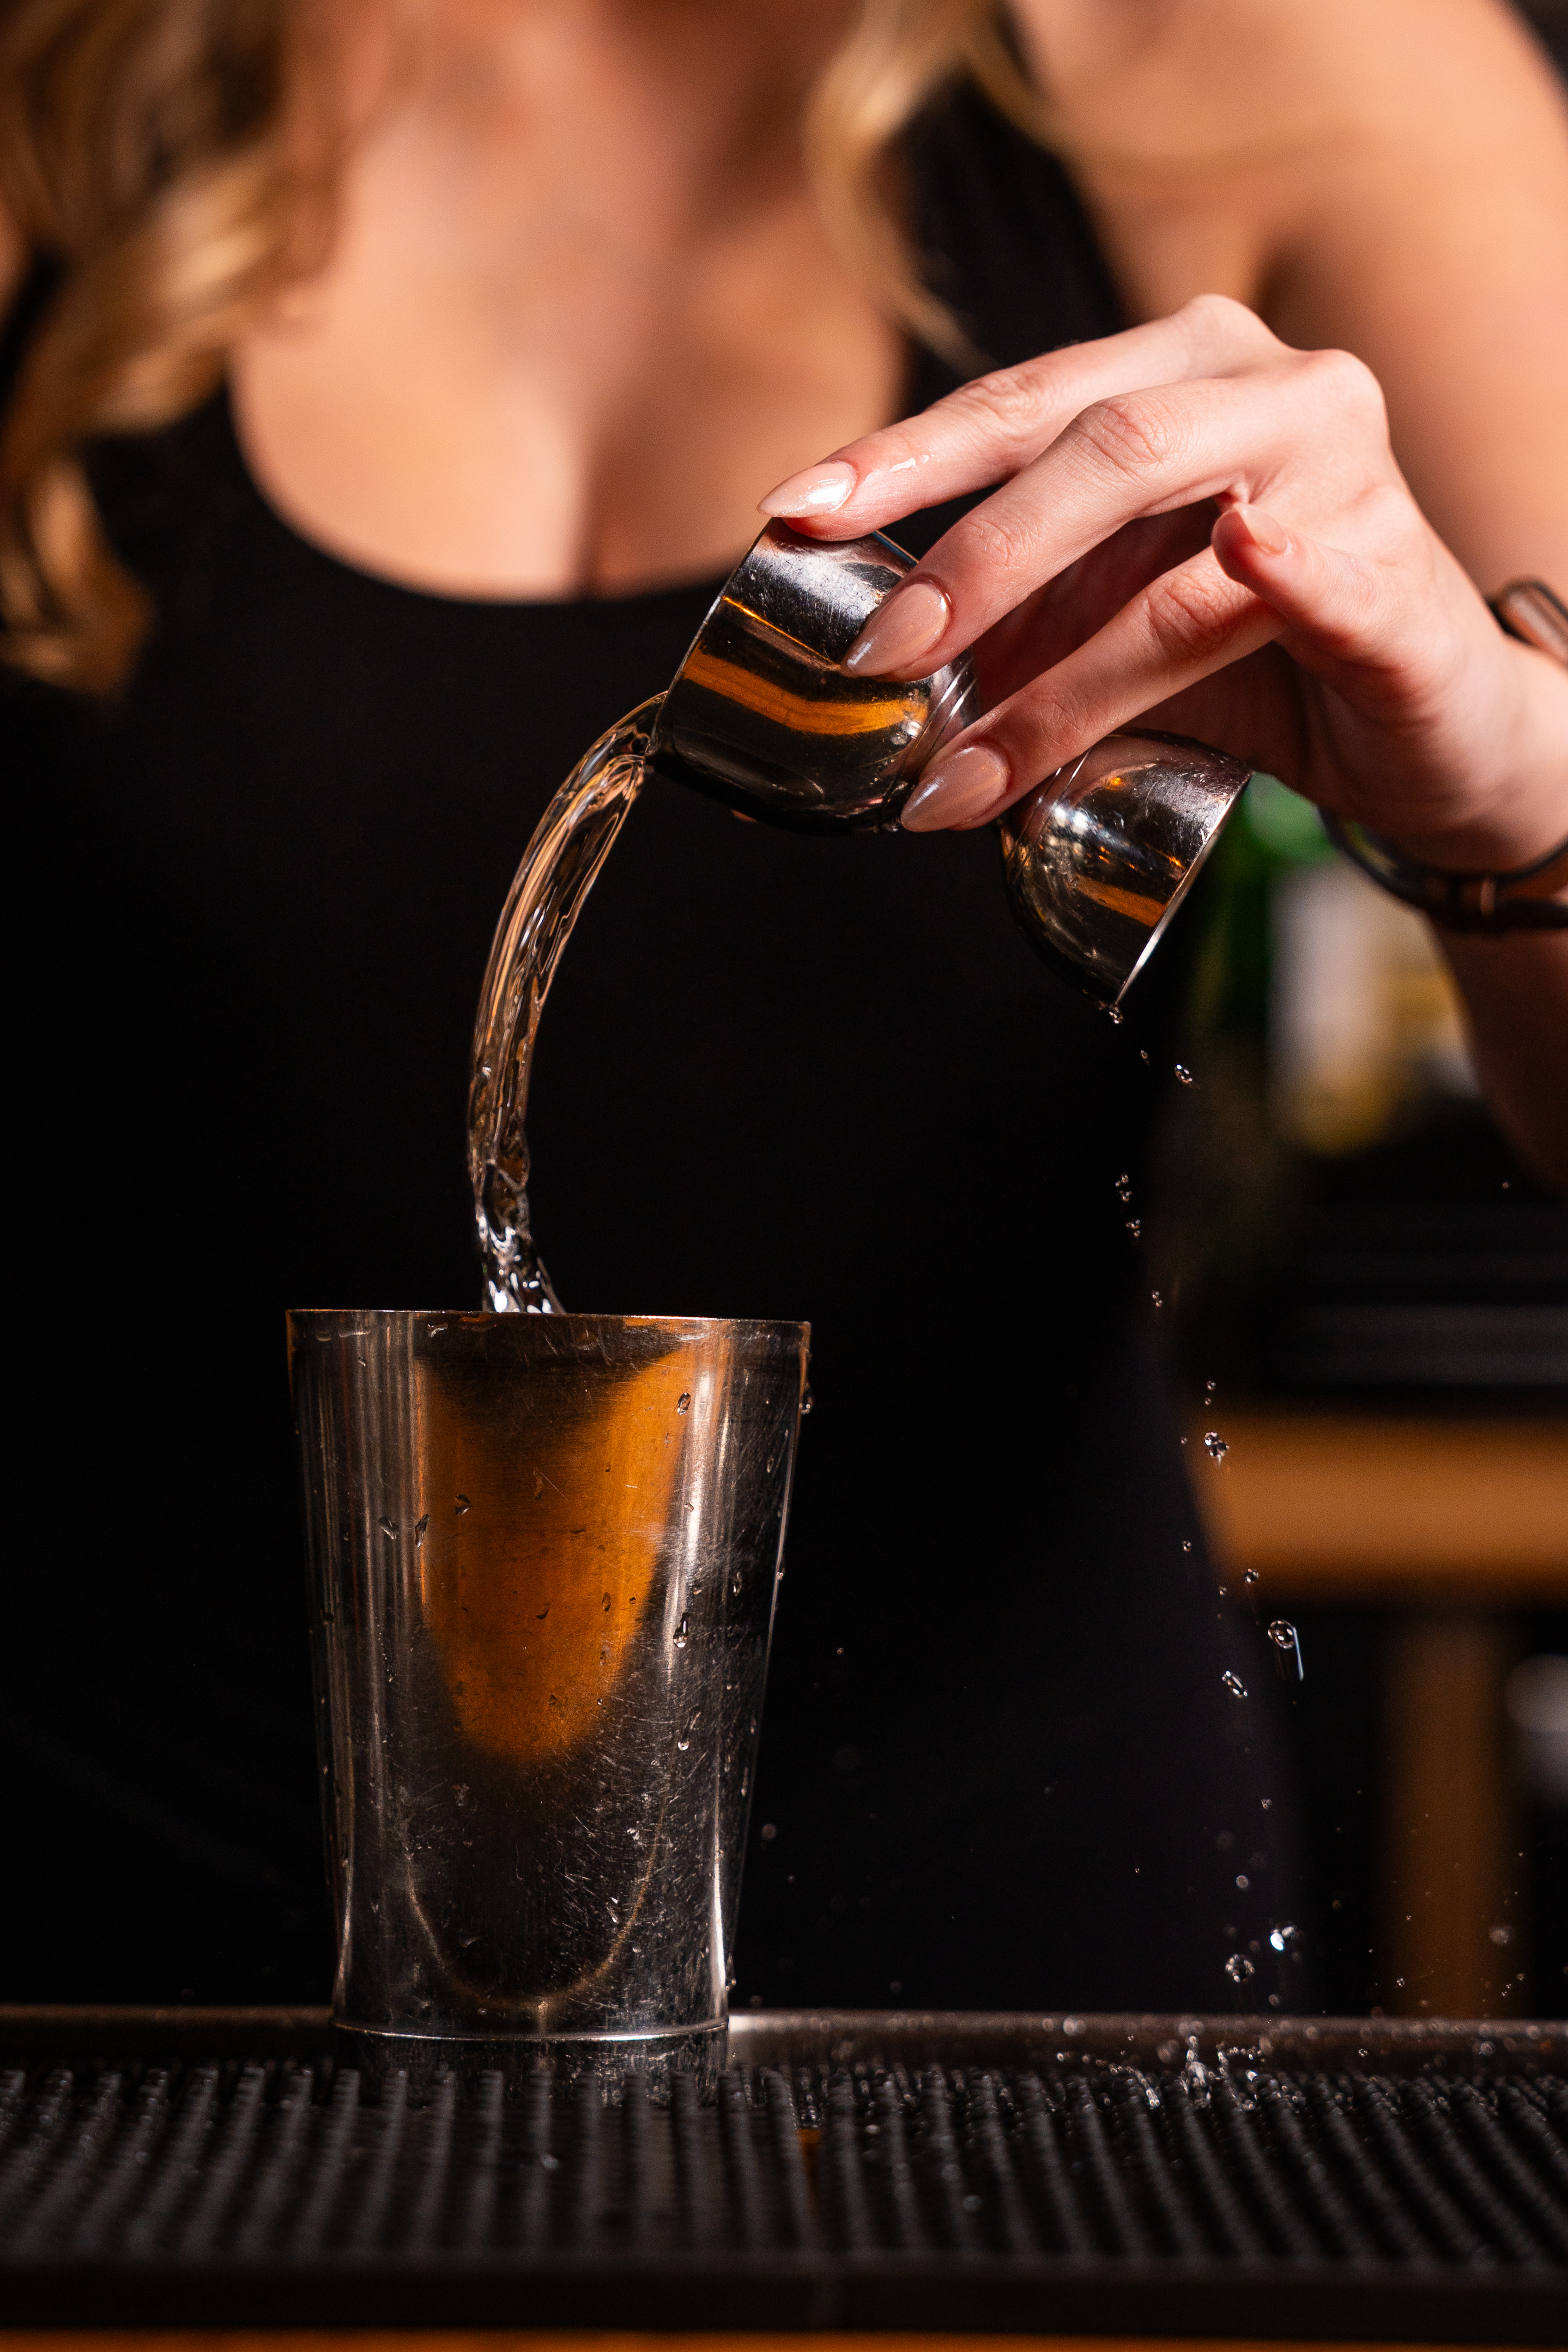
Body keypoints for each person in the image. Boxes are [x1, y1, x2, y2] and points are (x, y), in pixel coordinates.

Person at [2, 0, 1564, 2013]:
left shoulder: (1295, 61)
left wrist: (1507, 773)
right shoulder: (62, 90)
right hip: (106, 2003)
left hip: (1021, 2000)